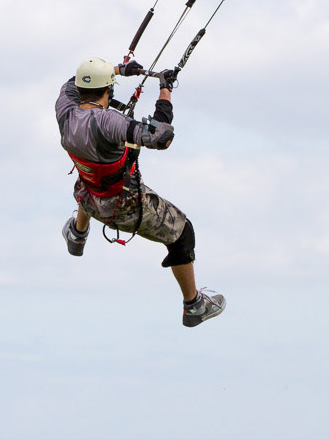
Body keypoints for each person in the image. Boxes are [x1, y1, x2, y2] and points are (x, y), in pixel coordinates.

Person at [55, 57, 226, 328]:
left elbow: (71, 83)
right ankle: (193, 305)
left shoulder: (64, 110)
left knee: (88, 179)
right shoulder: (109, 123)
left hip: (88, 194)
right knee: (183, 232)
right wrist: (165, 92)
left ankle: (77, 234)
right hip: (122, 206)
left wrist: (118, 70)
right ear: (108, 91)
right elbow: (161, 136)